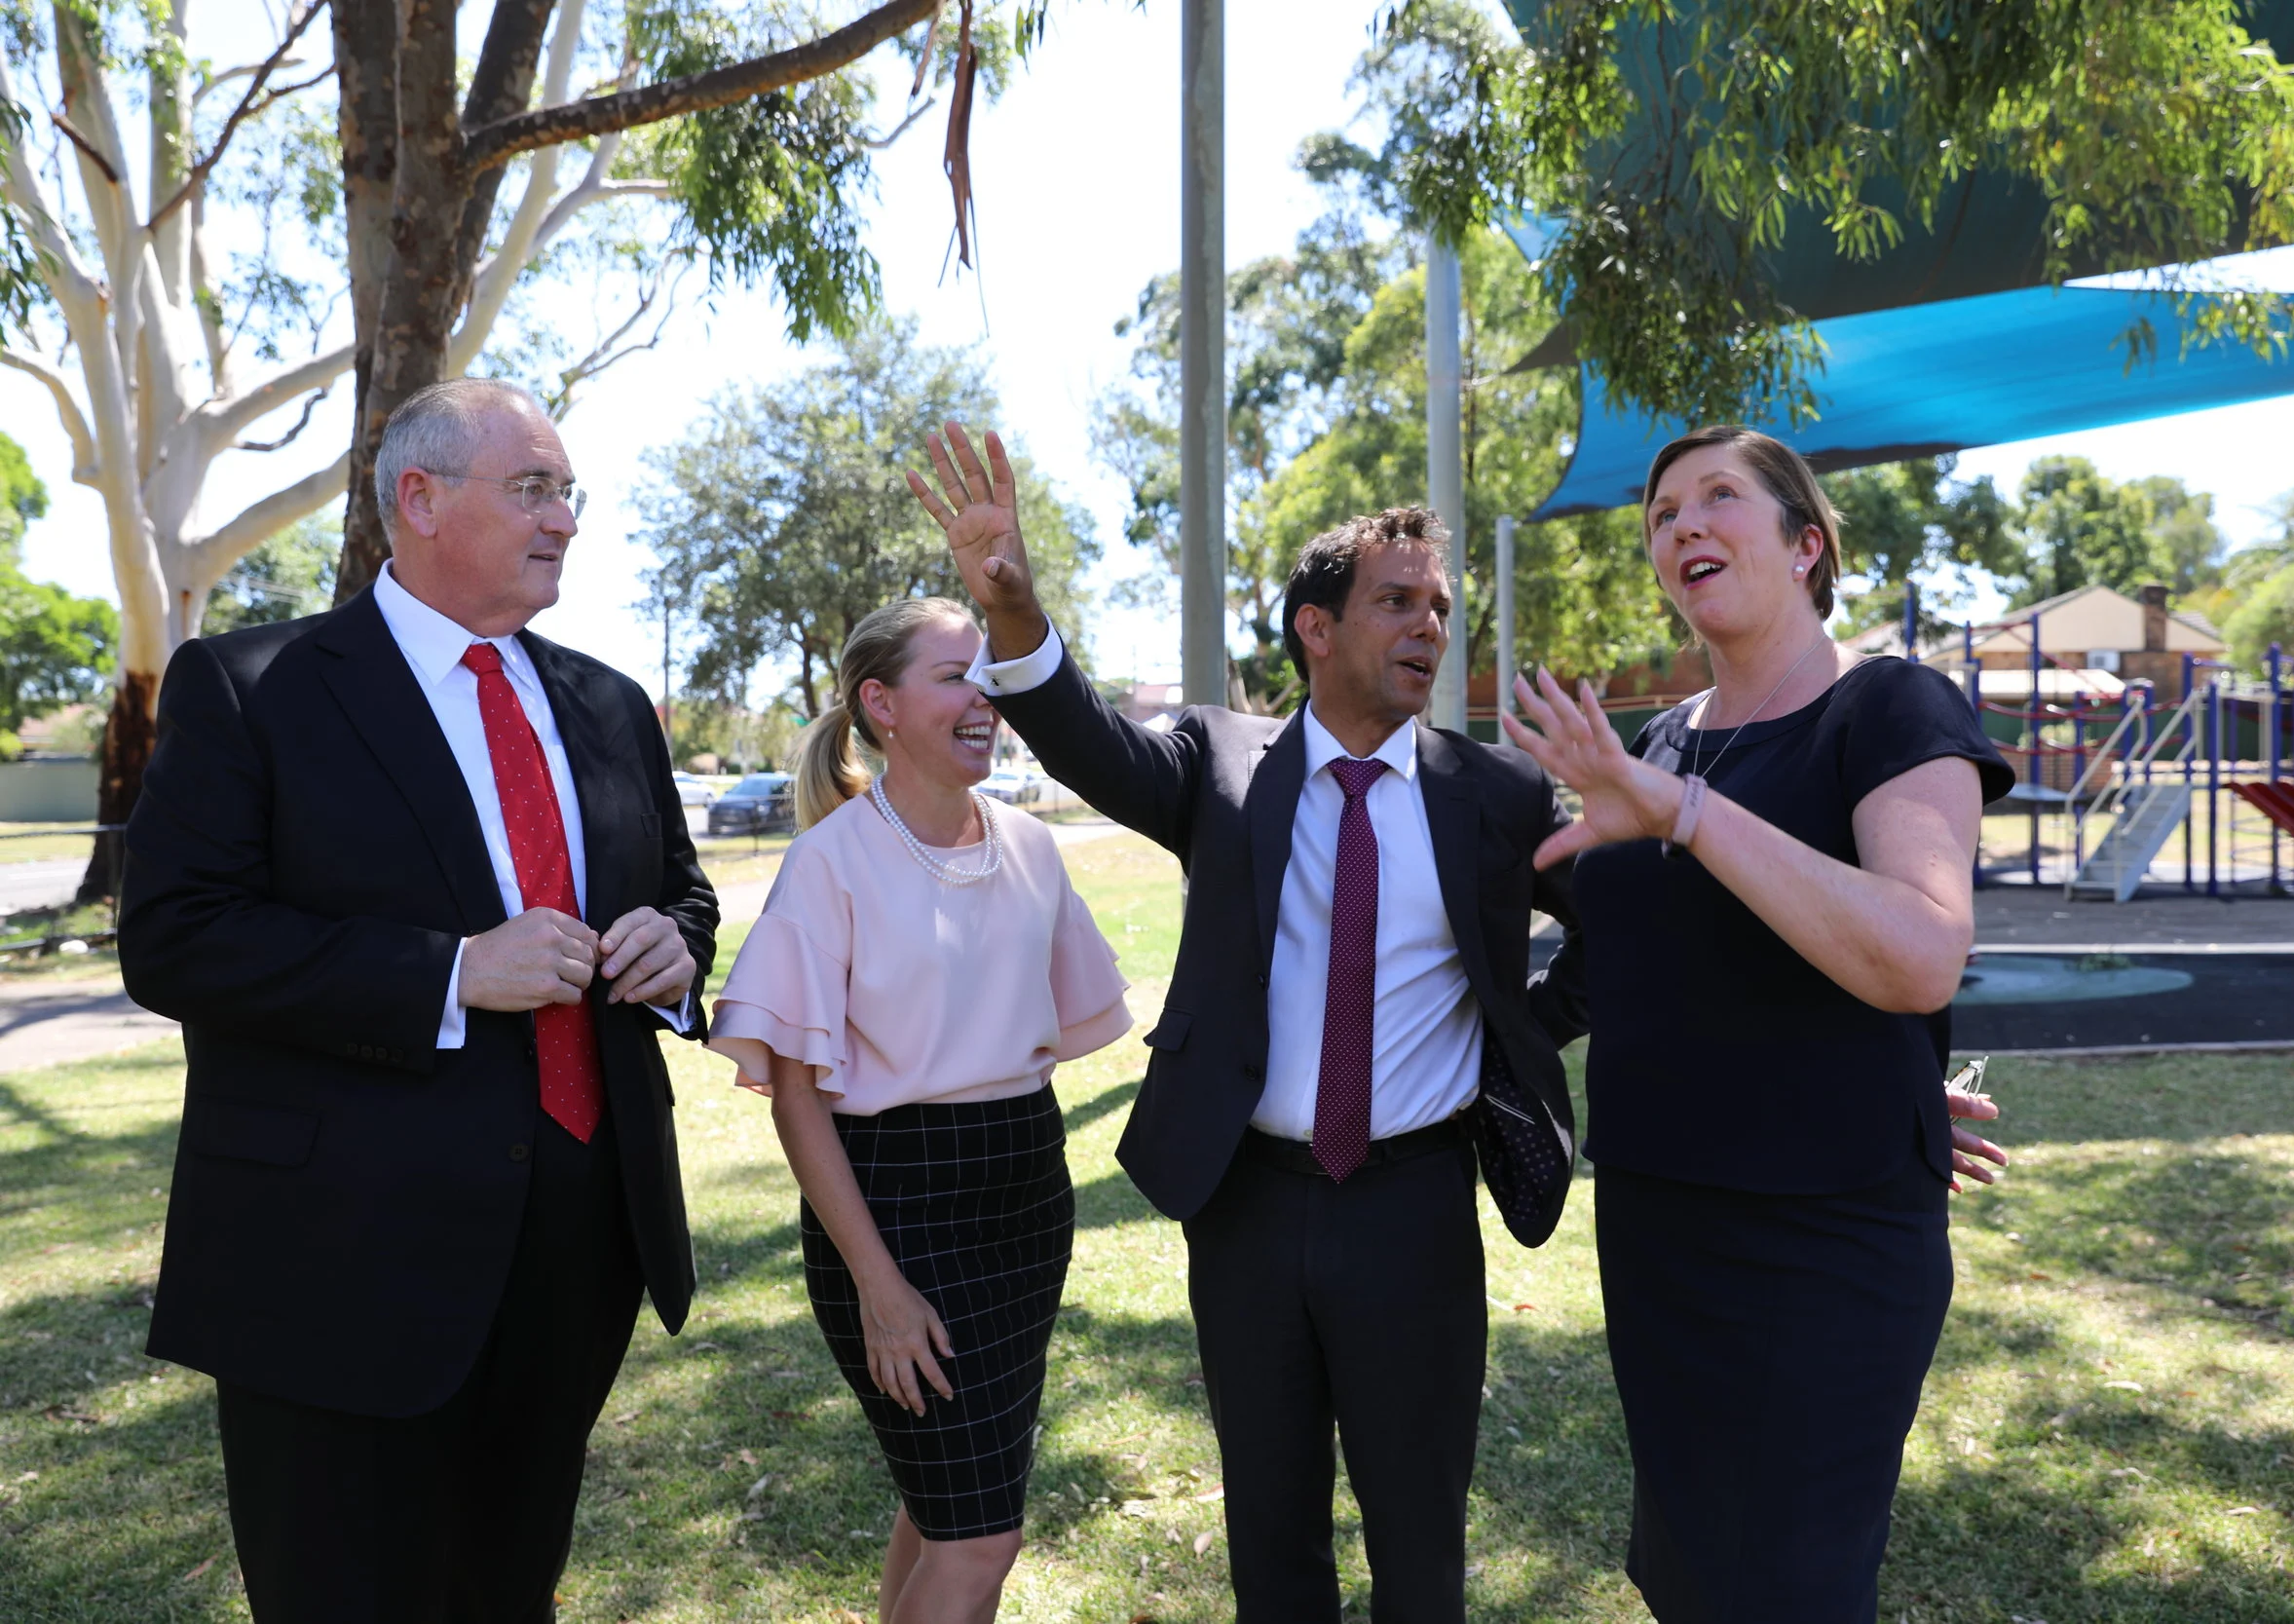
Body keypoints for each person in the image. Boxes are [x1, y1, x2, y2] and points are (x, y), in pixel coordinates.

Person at [909, 423, 1584, 1624]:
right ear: (1315, 628)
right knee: (1269, 1528)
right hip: (1248, 1207)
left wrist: (1523, 1030)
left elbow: (1619, 927)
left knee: (1419, 1533)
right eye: (1396, 601)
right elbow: (1091, 744)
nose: (1428, 624)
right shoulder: (1223, 763)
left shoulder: (1497, 795)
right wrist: (1013, 606)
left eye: (1437, 604)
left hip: (1416, 1210)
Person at [120, 378, 718, 1620]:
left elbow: (681, 889)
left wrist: (675, 945)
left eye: (569, 492)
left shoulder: (608, 704)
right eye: (532, 489)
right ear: (420, 498)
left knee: (510, 1586)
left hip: (578, 1240)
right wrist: (451, 970)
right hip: (339, 1257)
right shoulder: (249, 687)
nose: (564, 518)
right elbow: (176, 941)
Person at [1506, 424, 2011, 1624]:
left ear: (1806, 546)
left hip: (1820, 1241)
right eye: (1661, 514)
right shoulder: (1664, 742)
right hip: (1658, 1224)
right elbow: (1636, 962)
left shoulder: (1888, 705)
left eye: (1717, 497)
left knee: (1786, 1582)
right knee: (1687, 1572)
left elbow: (1919, 952)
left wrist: (1678, 812)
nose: (1682, 523)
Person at [708, 596, 1131, 1624]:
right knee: (982, 1533)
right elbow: (795, 1096)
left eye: (987, 673)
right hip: (893, 1207)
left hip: (1026, 1196)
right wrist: (879, 1285)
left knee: (946, 1510)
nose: (983, 694)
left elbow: (1057, 1028)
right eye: (955, 674)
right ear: (881, 704)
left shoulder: (1032, 846)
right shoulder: (831, 861)